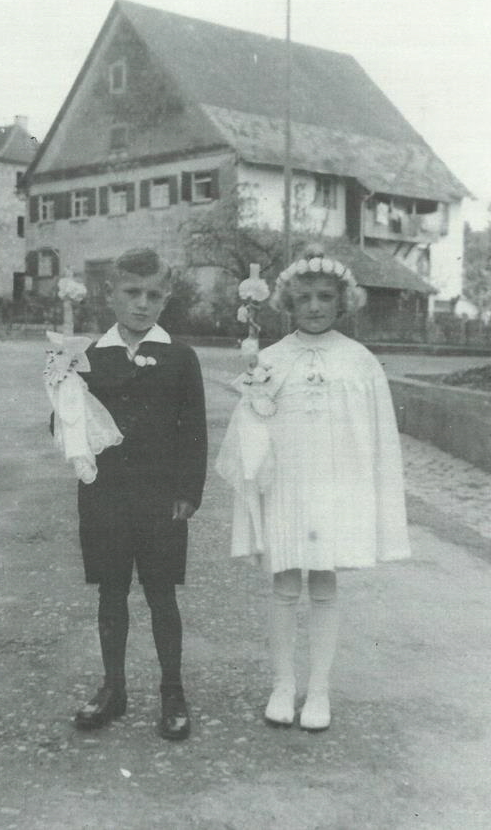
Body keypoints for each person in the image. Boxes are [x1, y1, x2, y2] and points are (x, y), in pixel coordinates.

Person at [216, 249, 410, 731]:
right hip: (286, 485)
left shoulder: (359, 360)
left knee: (324, 584)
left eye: (326, 297)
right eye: (304, 298)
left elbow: (378, 434)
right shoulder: (270, 358)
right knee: (284, 584)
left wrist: (366, 489)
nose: (316, 307)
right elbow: (250, 433)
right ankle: (283, 684)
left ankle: (318, 690)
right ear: (287, 304)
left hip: (336, 487)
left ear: (343, 302)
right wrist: (255, 404)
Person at [68, 248, 207, 740]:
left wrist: (189, 491)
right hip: (105, 495)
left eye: (153, 295)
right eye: (132, 293)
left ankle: (173, 690)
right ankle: (113, 687)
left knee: (162, 594)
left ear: (166, 298)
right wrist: (60, 394)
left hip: (159, 498)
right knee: (111, 591)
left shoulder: (180, 357)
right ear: (110, 295)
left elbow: (194, 429)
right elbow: (68, 427)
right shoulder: (85, 356)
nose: (142, 304)